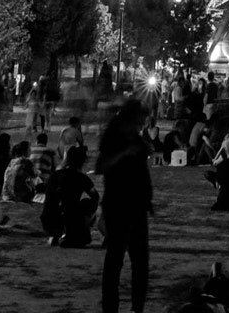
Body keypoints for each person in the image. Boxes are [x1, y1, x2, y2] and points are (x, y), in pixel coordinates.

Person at [97, 97, 154, 313]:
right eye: (139, 122)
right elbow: (101, 166)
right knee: (115, 259)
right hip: (118, 205)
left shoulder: (135, 138)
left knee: (140, 262)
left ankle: (136, 307)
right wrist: (123, 155)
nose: (141, 126)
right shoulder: (114, 138)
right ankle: (111, 307)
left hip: (137, 206)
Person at [44, 142, 99, 246]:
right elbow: (96, 197)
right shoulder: (82, 178)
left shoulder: (55, 175)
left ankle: (57, 233)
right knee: (88, 203)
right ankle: (76, 229)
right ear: (82, 162)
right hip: (69, 215)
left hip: (48, 218)